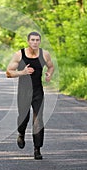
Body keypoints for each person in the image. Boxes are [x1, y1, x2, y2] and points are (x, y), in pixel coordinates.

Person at [6, 31, 54, 160]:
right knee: (24, 118)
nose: (35, 42)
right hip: (24, 92)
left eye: (37, 40)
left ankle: (37, 149)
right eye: (32, 40)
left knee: (38, 120)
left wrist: (49, 74)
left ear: (40, 41)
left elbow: (51, 66)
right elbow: (8, 73)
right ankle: (21, 133)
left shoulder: (44, 54)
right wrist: (23, 72)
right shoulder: (19, 55)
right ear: (28, 41)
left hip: (38, 91)